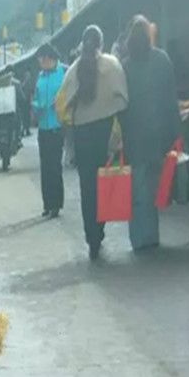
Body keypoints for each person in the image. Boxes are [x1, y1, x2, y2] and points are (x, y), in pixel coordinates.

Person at [58, 25, 129, 259]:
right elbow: (123, 99)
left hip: (82, 132)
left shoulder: (73, 70)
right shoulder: (112, 65)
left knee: (87, 186)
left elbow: (62, 105)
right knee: (103, 182)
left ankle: (92, 237)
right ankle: (99, 229)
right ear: (101, 42)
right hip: (105, 131)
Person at [119, 16, 182, 250]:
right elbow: (171, 99)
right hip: (158, 134)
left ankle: (138, 239)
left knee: (137, 188)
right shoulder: (162, 59)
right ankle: (152, 236)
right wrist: (175, 133)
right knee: (153, 187)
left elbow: (122, 104)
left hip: (133, 135)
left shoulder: (125, 66)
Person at [33, 44, 67, 217]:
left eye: (41, 59)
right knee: (45, 166)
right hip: (43, 127)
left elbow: (70, 95)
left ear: (49, 58)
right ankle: (47, 203)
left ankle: (56, 204)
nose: (40, 63)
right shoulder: (41, 76)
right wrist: (37, 105)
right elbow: (35, 98)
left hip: (56, 126)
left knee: (54, 166)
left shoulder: (63, 73)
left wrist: (60, 102)